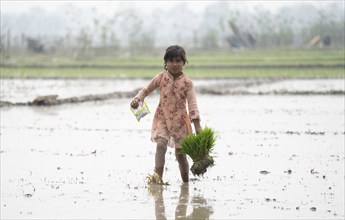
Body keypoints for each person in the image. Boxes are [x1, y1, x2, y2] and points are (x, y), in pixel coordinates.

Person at [130, 45, 201, 183]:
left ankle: (185, 183)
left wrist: (198, 128)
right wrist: (137, 99)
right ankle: (158, 179)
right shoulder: (161, 78)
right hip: (162, 117)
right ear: (165, 62)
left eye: (178, 61)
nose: (174, 64)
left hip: (180, 121)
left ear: (184, 63)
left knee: (180, 155)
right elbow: (145, 90)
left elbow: (192, 105)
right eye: (171, 61)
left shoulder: (187, 83)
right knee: (161, 144)